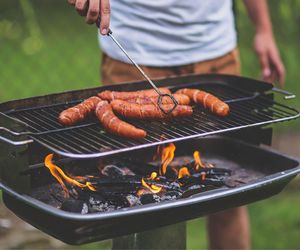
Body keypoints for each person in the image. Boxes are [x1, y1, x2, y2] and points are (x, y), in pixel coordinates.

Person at [67, 0, 285, 248]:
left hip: (215, 50)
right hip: (133, 54)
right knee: (135, 198)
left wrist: (263, 29)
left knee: (229, 195)